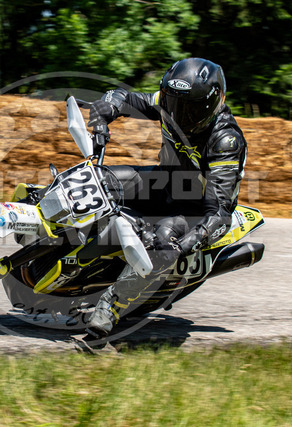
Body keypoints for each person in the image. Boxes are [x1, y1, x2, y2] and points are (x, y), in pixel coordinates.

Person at [85, 57, 247, 338]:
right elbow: (124, 97)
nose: (178, 114)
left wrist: (188, 243)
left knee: (163, 241)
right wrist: (106, 109)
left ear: (212, 104)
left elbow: (219, 212)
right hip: (166, 182)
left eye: (189, 108)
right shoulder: (168, 102)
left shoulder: (225, 141)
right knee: (99, 179)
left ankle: (112, 304)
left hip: (197, 208)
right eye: (173, 104)